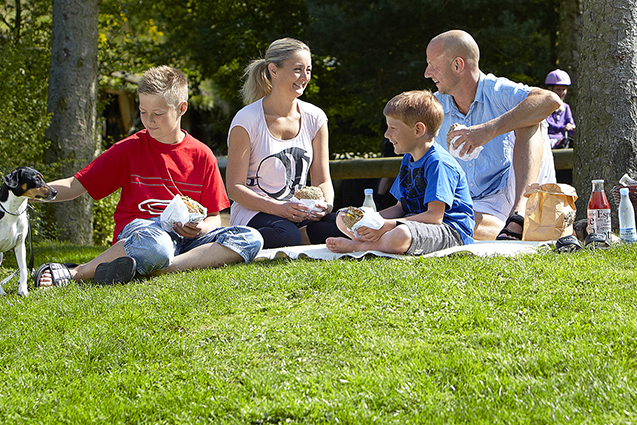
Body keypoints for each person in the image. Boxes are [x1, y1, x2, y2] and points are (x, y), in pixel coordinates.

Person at [31, 65, 264, 288]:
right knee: (157, 246)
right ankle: (77, 272)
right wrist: (26, 192)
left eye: (158, 114)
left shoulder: (202, 155)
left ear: (182, 108)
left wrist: (201, 228)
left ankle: (160, 268)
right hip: (143, 233)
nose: (148, 120)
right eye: (143, 112)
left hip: (186, 240)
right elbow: (75, 185)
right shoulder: (128, 149)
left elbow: (214, 217)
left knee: (251, 238)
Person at [424, 30, 561, 241]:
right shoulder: (435, 106)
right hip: (477, 205)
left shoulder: (496, 90)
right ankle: (515, 230)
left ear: (458, 65)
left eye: (432, 65)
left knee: (530, 118)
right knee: (441, 221)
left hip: (516, 193)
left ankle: (520, 216)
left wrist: (489, 130)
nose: (427, 73)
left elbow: (550, 100)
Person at [226, 38, 345, 248]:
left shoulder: (316, 117)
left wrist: (325, 205)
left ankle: (301, 236)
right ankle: (242, 239)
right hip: (256, 212)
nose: (305, 77)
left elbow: (322, 180)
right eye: (297, 69)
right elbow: (235, 189)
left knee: (343, 224)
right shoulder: (246, 120)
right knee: (286, 235)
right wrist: (279, 209)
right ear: (273, 70)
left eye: (308, 70)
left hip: (298, 213)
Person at [326, 91, 474, 256]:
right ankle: (374, 240)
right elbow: (400, 207)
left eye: (393, 128)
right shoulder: (408, 159)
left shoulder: (438, 163)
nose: (386, 134)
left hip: (449, 231)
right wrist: (371, 221)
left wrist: (387, 225)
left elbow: (435, 217)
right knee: (344, 216)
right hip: (412, 224)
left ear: (418, 130)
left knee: (401, 234)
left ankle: (361, 246)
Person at [543, 69, 576, 149]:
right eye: (558, 89)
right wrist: (563, 128)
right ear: (550, 89)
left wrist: (571, 127)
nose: (561, 93)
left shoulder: (566, 107)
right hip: (547, 139)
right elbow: (547, 124)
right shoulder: (544, 106)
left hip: (561, 140)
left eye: (564, 90)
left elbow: (570, 123)